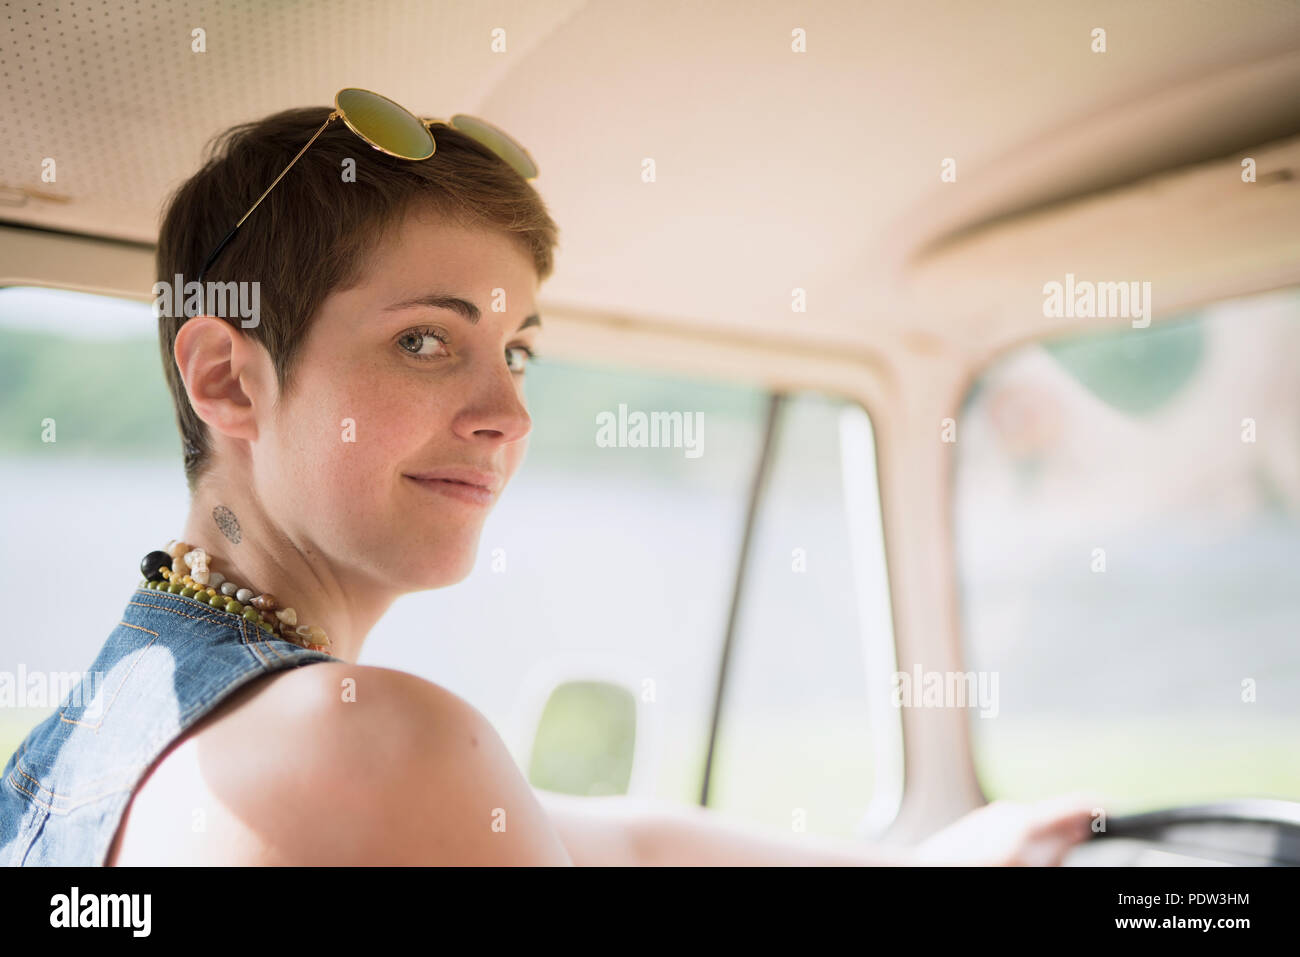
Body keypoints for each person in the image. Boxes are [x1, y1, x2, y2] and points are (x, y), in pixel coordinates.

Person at [0, 97, 1097, 866]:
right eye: (427, 342)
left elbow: (623, 841)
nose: (509, 416)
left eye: (515, 349)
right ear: (229, 381)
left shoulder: (121, 715)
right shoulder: (366, 740)